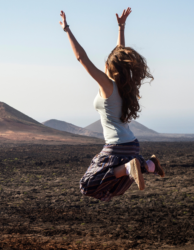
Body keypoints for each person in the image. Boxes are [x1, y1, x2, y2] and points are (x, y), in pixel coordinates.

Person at [59, 8, 165, 202]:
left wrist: (67, 30)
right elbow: (120, 55)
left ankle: (131, 167)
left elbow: (82, 58)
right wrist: (121, 28)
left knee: (88, 184)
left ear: (109, 66)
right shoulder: (125, 87)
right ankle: (149, 165)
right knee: (114, 186)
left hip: (118, 147)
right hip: (131, 146)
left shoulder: (107, 86)